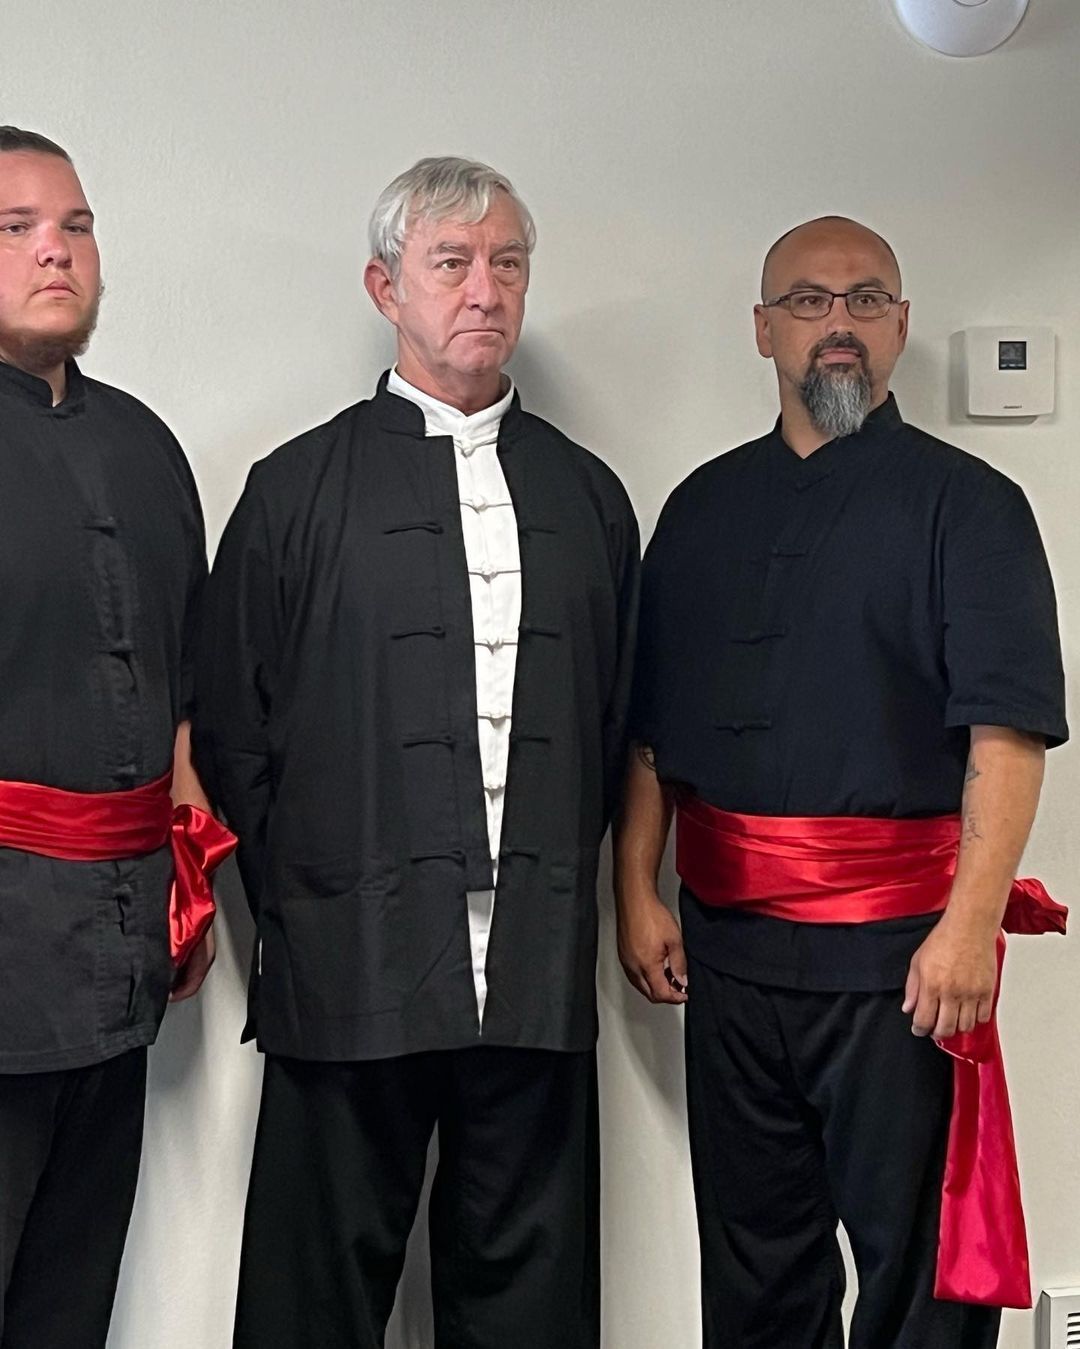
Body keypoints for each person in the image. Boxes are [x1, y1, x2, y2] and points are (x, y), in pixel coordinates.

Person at [194, 156, 638, 1349]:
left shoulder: (590, 498)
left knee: (532, 1300)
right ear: (387, 284)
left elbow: (613, 728)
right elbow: (236, 731)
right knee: (313, 1293)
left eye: (507, 263)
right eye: (452, 262)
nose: (484, 290)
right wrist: (321, 898)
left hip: (536, 972)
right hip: (352, 966)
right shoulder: (294, 492)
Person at [615, 215, 1067, 1349]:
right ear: (763, 329)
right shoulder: (700, 509)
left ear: (902, 326)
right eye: (811, 303)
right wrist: (636, 884)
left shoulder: (971, 507)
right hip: (728, 954)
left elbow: (1007, 734)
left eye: (866, 301)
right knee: (756, 1262)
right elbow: (653, 734)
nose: (840, 326)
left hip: (901, 957)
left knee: (916, 1275)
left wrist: (969, 927)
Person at [0, 127, 231, 1349]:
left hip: (120, 940)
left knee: (71, 1288)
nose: (56, 249)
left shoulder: (147, 446)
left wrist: (182, 882)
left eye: (76, 226)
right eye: (18, 227)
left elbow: (183, 695)